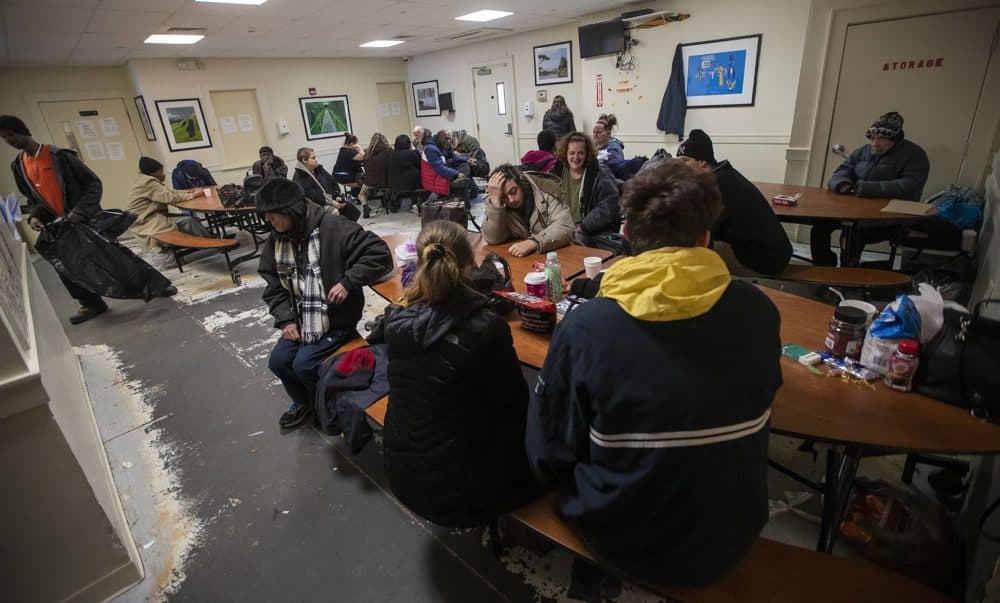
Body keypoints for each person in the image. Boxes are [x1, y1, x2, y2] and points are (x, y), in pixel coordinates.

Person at [525, 159, 781, 587]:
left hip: (621, 538)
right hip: (734, 534)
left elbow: (547, 452)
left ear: (624, 234)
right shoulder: (759, 310)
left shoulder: (587, 328)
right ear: (705, 237)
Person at [382, 220, 542, 527]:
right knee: (544, 407)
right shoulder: (483, 326)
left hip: (404, 474)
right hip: (463, 495)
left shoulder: (396, 317)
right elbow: (515, 406)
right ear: (471, 265)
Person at [2, 114, 177, 323]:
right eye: (4, 138)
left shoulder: (60, 156)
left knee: (112, 257)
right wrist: (35, 216)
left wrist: (80, 210)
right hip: (57, 225)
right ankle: (90, 304)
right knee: (64, 266)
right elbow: (32, 198)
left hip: (82, 218)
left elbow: (93, 184)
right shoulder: (19, 166)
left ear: (23, 131)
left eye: (11, 135)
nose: (9, 141)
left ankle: (156, 285)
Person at [259, 178, 392, 429]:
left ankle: (326, 404)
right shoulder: (277, 238)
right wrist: (286, 319)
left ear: (292, 211)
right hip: (300, 318)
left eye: (272, 213)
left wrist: (348, 281)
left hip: (336, 319)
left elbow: (379, 254)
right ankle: (304, 402)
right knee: (278, 361)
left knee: (304, 364)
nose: (267, 219)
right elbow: (274, 287)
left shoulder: (333, 228)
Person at [812, 111, 930, 266]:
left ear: (895, 138)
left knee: (853, 233)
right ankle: (824, 269)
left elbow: (910, 185)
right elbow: (842, 171)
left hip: (888, 217)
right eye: (872, 138)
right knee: (820, 228)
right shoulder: (862, 151)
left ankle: (846, 278)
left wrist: (865, 188)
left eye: (882, 139)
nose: (875, 143)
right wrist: (841, 183)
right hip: (853, 211)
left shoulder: (915, 154)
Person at [676, 129, 792, 276]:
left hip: (765, 261)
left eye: (684, 161)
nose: (679, 167)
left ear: (702, 161)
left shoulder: (717, 185)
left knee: (691, 251)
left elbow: (706, 232)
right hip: (773, 253)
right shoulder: (722, 175)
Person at [482, 164, 574, 257]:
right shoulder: (496, 198)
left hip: (557, 255)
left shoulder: (547, 190)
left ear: (521, 183)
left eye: (513, 191)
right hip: (525, 259)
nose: (511, 200)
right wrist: (495, 202)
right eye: (504, 197)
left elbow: (565, 227)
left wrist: (534, 242)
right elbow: (493, 239)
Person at [549, 132, 621, 249]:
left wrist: (584, 227)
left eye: (580, 153)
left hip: (589, 232)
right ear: (565, 153)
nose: (576, 158)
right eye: (572, 153)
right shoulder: (556, 172)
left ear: (587, 154)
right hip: (562, 227)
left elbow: (609, 206)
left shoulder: (600, 173)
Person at [126, 156, 211, 250]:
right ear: (154, 172)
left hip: (145, 218)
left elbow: (169, 192)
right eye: (161, 171)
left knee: (188, 220)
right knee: (189, 221)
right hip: (146, 221)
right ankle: (209, 242)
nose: (163, 174)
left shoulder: (143, 180)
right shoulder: (149, 182)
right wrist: (193, 195)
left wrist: (188, 192)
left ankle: (203, 239)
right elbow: (169, 197)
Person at [292, 147, 359, 221]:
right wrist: (332, 202)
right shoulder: (300, 177)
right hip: (315, 206)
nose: (316, 160)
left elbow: (332, 181)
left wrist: (336, 195)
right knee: (334, 212)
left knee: (348, 207)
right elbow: (312, 196)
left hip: (329, 199)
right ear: (304, 160)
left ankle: (351, 229)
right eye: (313, 158)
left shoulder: (318, 169)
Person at [421, 129, 473, 203]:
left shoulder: (443, 146)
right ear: (439, 138)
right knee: (463, 183)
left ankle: (459, 184)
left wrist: (466, 159)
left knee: (465, 166)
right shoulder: (431, 149)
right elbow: (440, 169)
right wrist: (456, 173)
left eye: (449, 139)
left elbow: (452, 157)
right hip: (435, 177)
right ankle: (458, 189)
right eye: (446, 139)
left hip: (442, 172)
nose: (449, 141)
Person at [333, 134, 368, 216]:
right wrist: (359, 148)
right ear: (352, 143)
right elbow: (363, 157)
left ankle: (354, 196)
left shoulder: (343, 150)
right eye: (356, 143)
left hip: (339, 175)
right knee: (366, 182)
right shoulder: (348, 152)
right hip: (343, 177)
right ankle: (359, 199)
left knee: (361, 177)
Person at [360, 132, 391, 213]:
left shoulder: (366, 153)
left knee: (361, 194)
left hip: (370, 182)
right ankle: (391, 202)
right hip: (386, 182)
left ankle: (365, 206)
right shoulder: (389, 151)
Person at [388, 134, 423, 207]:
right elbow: (420, 165)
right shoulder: (412, 153)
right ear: (408, 143)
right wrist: (414, 149)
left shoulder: (392, 154)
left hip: (394, 183)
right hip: (411, 183)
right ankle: (419, 202)